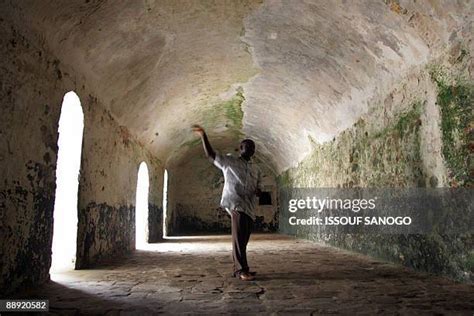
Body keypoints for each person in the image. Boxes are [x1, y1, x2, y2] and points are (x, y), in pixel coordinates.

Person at [191, 124, 261, 281]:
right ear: (240, 148)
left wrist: (258, 191)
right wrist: (203, 135)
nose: (250, 149)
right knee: (238, 240)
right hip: (236, 204)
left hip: (249, 207)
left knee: (243, 240)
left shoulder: (256, 169)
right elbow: (211, 155)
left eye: (252, 147)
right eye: (246, 146)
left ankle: (244, 268)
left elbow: (259, 187)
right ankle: (240, 270)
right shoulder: (229, 162)